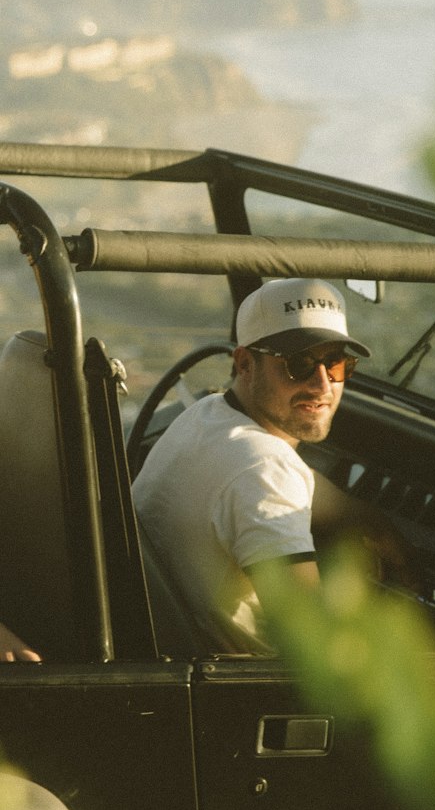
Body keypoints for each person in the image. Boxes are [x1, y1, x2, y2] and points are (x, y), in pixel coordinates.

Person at [133, 277, 412, 651]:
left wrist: (381, 533)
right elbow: (317, 646)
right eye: (299, 365)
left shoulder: (205, 415)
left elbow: (333, 505)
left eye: (337, 363)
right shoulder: (263, 470)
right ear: (245, 363)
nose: (322, 385)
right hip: (250, 688)